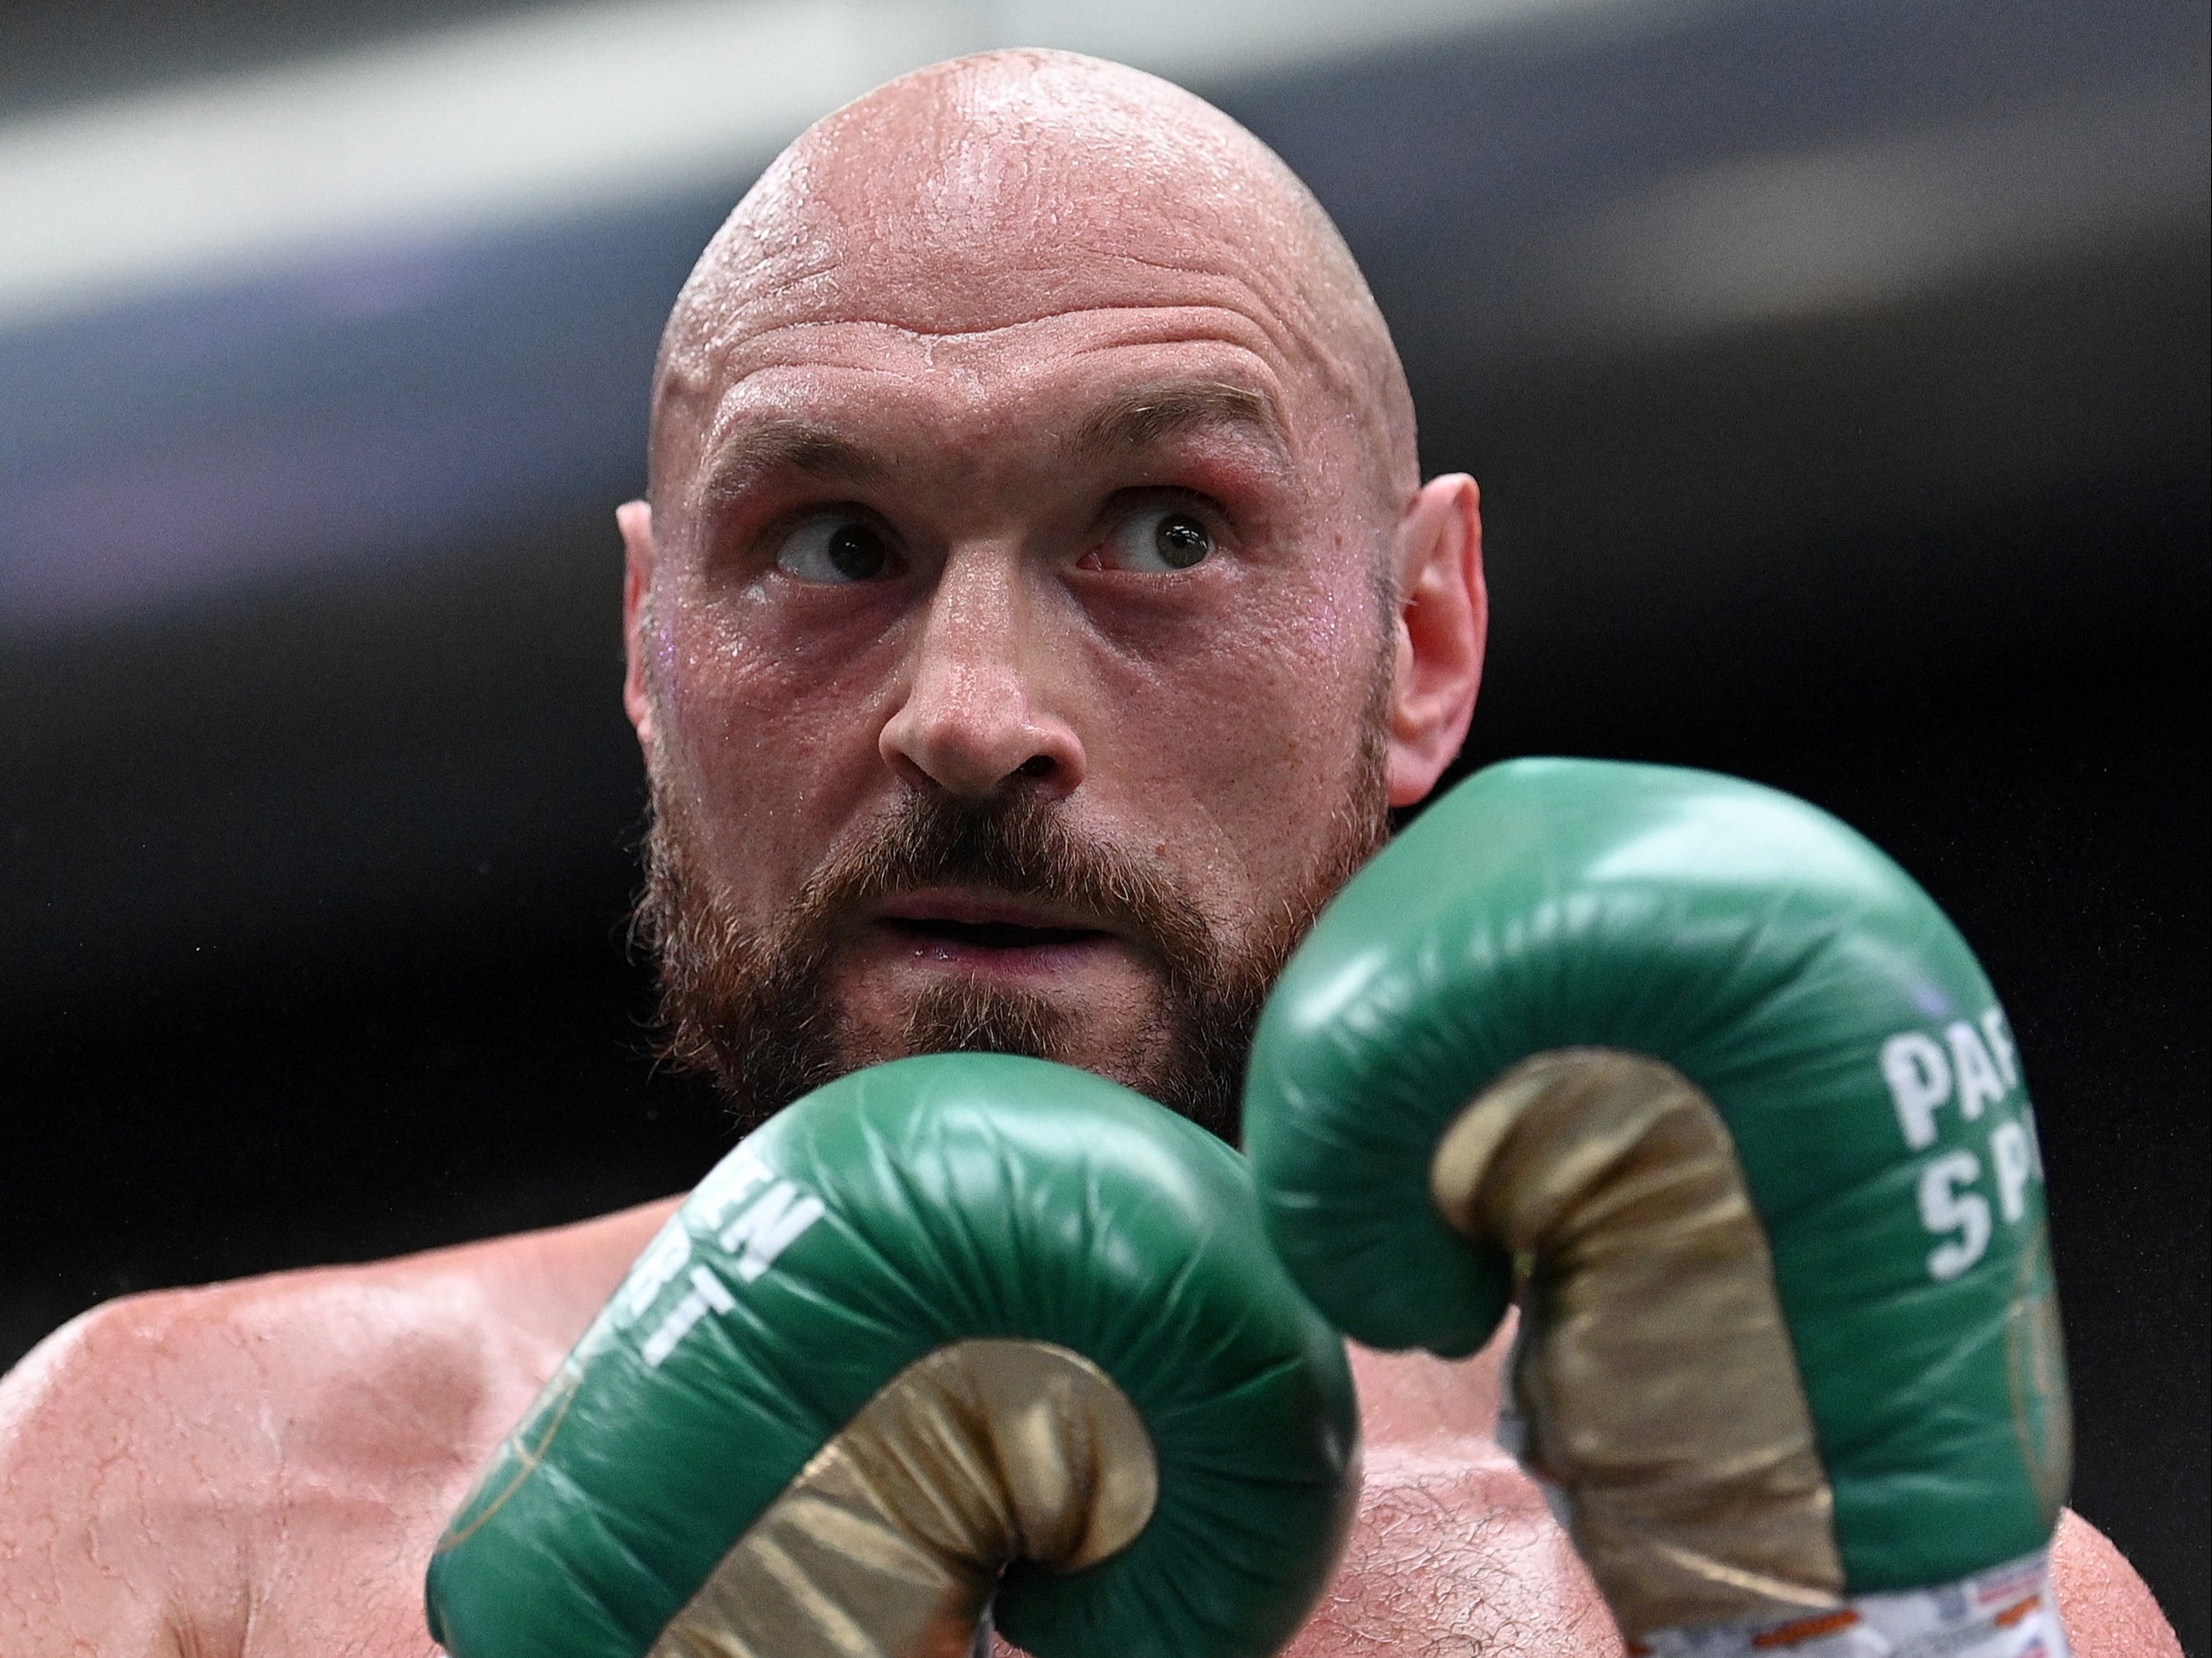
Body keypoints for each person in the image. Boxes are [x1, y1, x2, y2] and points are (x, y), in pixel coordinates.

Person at [0, 50, 2180, 1657]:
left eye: (1161, 532)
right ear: (652, 653)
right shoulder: (166, 1502)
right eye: (833, 544)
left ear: (1420, 639)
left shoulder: (1820, 1599)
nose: (965, 708)